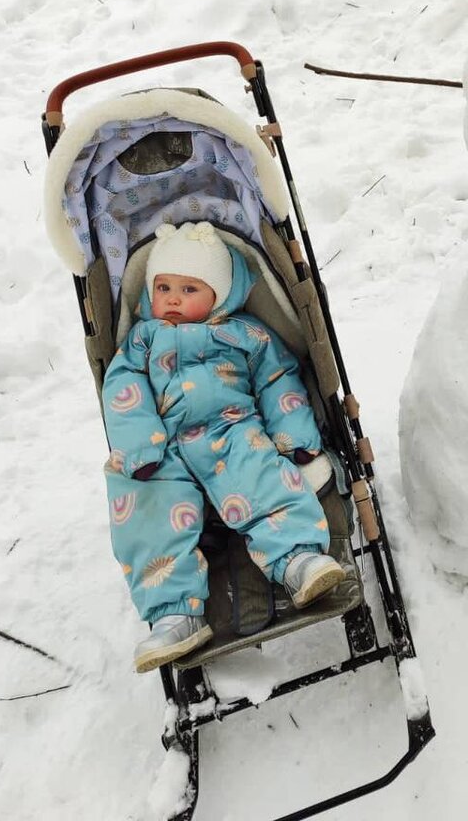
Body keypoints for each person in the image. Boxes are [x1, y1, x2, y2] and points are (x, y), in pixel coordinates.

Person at [102, 221, 345, 673]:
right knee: (144, 506)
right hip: (164, 449)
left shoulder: (245, 334)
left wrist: (295, 438)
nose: (172, 299)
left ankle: (297, 559)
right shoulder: (141, 340)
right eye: (164, 287)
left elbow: (279, 381)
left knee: (264, 474)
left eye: (189, 288)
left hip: (233, 432)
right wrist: (140, 449)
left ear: (219, 294)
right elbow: (123, 391)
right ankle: (174, 612)